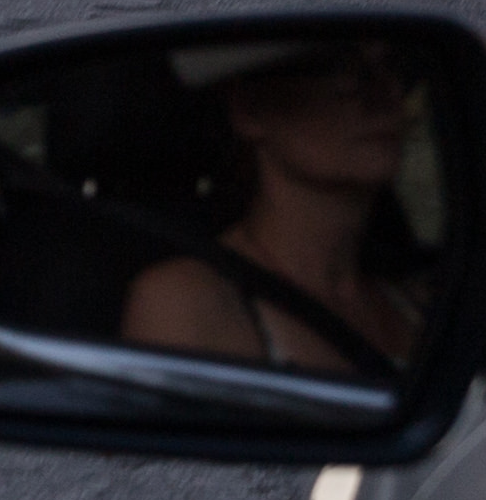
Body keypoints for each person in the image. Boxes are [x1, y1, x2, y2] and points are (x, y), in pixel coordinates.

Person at [116, 40, 431, 379]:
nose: (386, 95)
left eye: (392, 67)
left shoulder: (421, 298)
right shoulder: (187, 303)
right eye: (343, 71)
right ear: (248, 110)